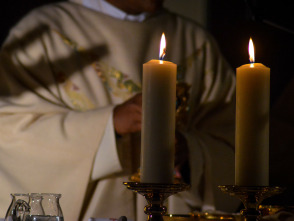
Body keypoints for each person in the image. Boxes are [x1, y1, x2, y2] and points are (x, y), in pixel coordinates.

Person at [0, 0, 240, 220]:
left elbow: (234, 143)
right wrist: (109, 125)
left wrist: (189, 154)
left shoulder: (196, 41)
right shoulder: (47, 31)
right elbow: (11, 135)